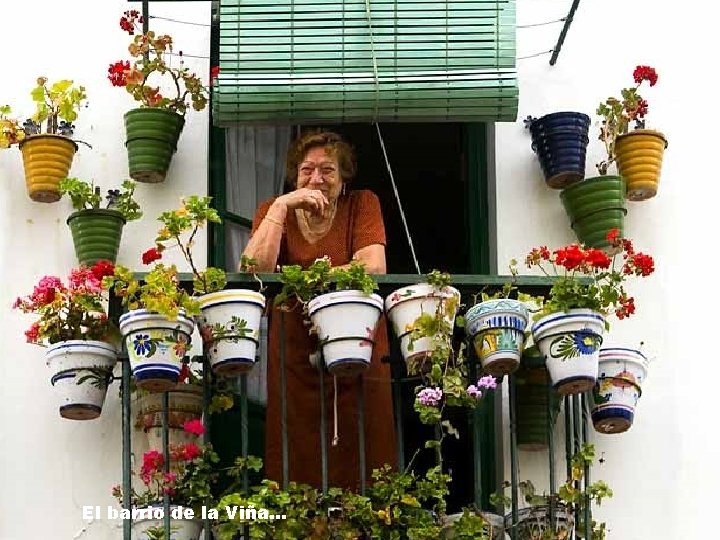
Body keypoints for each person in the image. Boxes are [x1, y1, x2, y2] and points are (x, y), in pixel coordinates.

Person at [241, 130, 396, 491]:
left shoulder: (362, 204)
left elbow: (373, 266)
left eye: (328, 170)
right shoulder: (272, 210)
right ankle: (297, 513)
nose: (316, 178)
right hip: (294, 347)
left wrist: (304, 279)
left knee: (363, 434)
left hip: (355, 340)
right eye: (307, 170)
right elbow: (254, 270)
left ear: (343, 178)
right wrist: (281, 207)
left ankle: (369, 514)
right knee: (295, 437)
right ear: (294, 177)